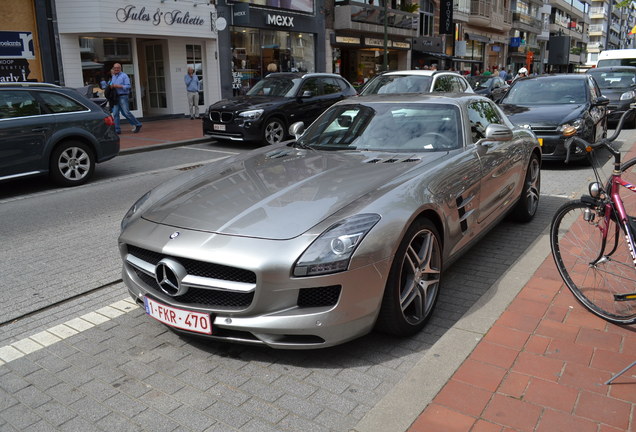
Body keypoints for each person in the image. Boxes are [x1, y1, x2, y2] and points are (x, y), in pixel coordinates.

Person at [109, 63, 142, 134]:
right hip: (115, 97)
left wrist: (119, 86)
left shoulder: (124, 76)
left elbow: (128, 86)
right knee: (115, 113)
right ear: (113, 68)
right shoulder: (113, 76)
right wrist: (111, 85)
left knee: (126, 112)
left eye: (118, 68)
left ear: (120, 68)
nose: (116, 69)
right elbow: (112, 84)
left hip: (123, 96)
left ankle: (138, 124)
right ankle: (117, 129)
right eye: (115, 68)